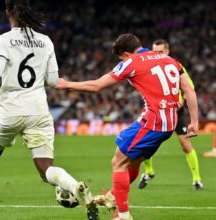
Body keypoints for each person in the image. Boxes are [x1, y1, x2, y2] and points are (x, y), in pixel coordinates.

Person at [0, 0, 98, 219]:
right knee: (46, 169)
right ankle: (75, 187)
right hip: (38, 110)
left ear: (8, 11)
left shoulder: (3, 40)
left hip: (10, 109)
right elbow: (54, 80)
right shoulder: (45, 41)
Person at [56, 34, 198, 220]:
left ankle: (122, 215)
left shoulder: (132, 62)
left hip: (154, 121)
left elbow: (97, 86)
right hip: (169, 122)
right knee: (134, 161)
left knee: (119, 161)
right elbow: (188, 89)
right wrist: (194, 121)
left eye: (120, 59)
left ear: (125, 54)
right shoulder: (170, 60)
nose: (121, 62)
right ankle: (113, 197)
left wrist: (67, 84)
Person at [137, 39, 203, 190]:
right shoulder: (149, 66)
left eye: (160, 52)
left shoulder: (176, 65)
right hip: (156, 111)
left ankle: (197, 179)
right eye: (154, 52)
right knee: (145, 143)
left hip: (176, 111)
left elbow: (188, 87)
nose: (157, 54)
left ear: (167, 51)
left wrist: (180, 101)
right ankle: (149, 172)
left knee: (186, 145)